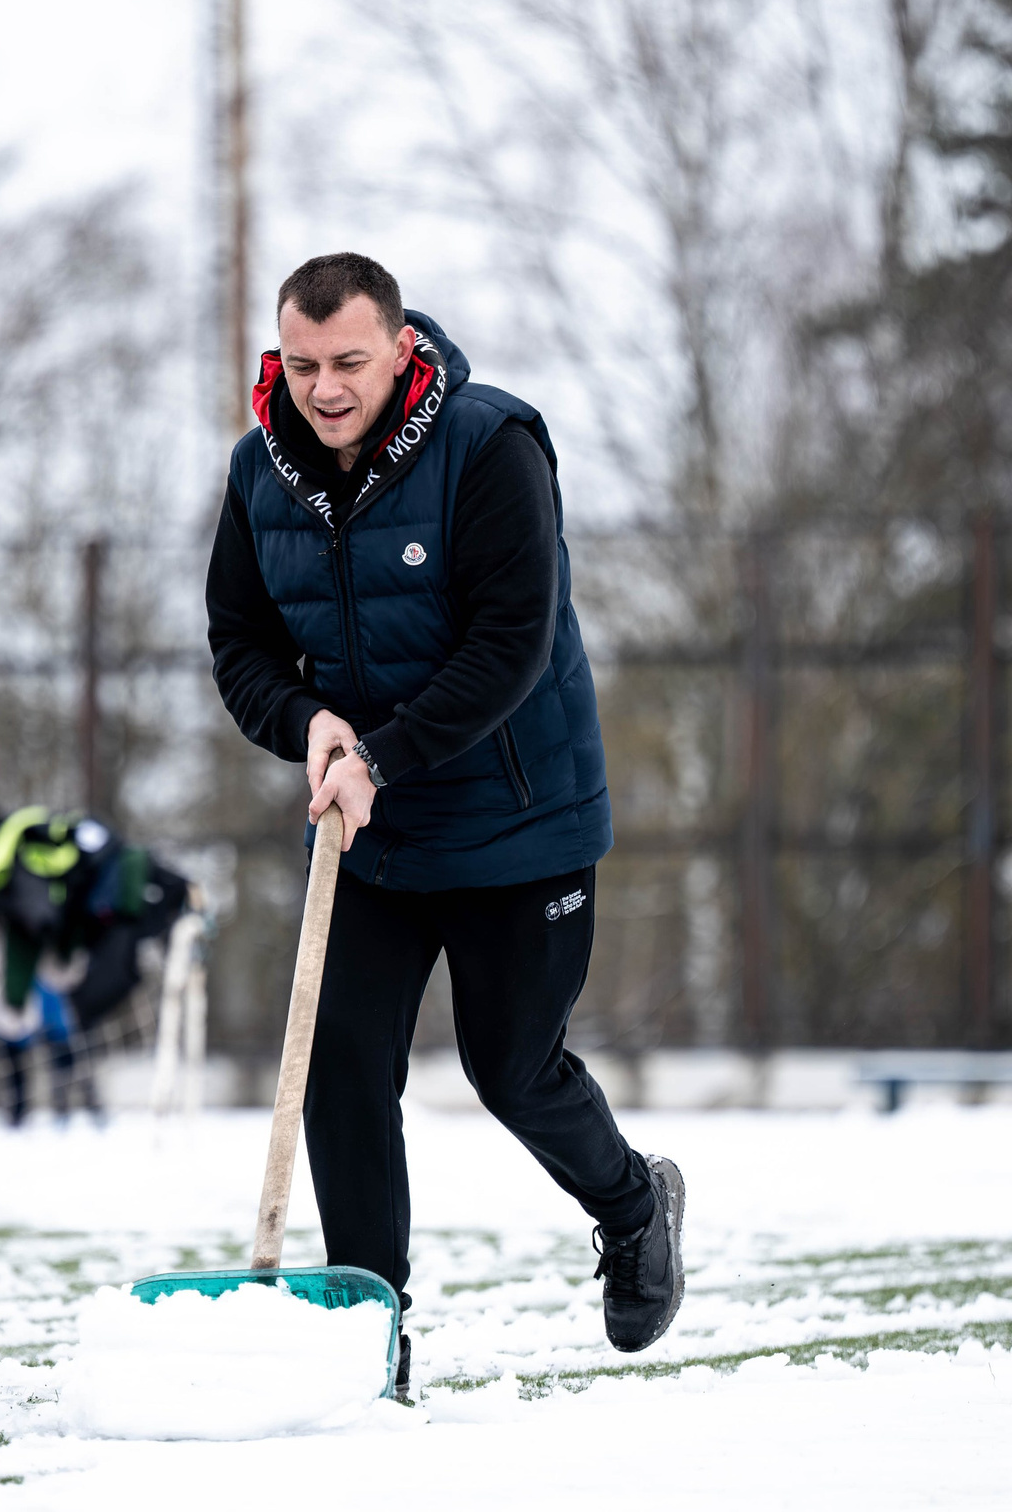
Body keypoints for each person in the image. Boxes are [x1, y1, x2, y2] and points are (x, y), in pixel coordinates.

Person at [206, 252, 686, 1392]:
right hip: (369, 828)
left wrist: (382, 751)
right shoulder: (256, 469)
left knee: (511, 1068)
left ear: (402, 348)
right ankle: (373, 1333)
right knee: (337, 1068)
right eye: (305, 362)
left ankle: (633, 1202)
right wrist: (309, 722)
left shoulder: (489, 444)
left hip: (520, 819)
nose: (324, 387)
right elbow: (240, 645)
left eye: (350, 362)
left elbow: (511, 642)